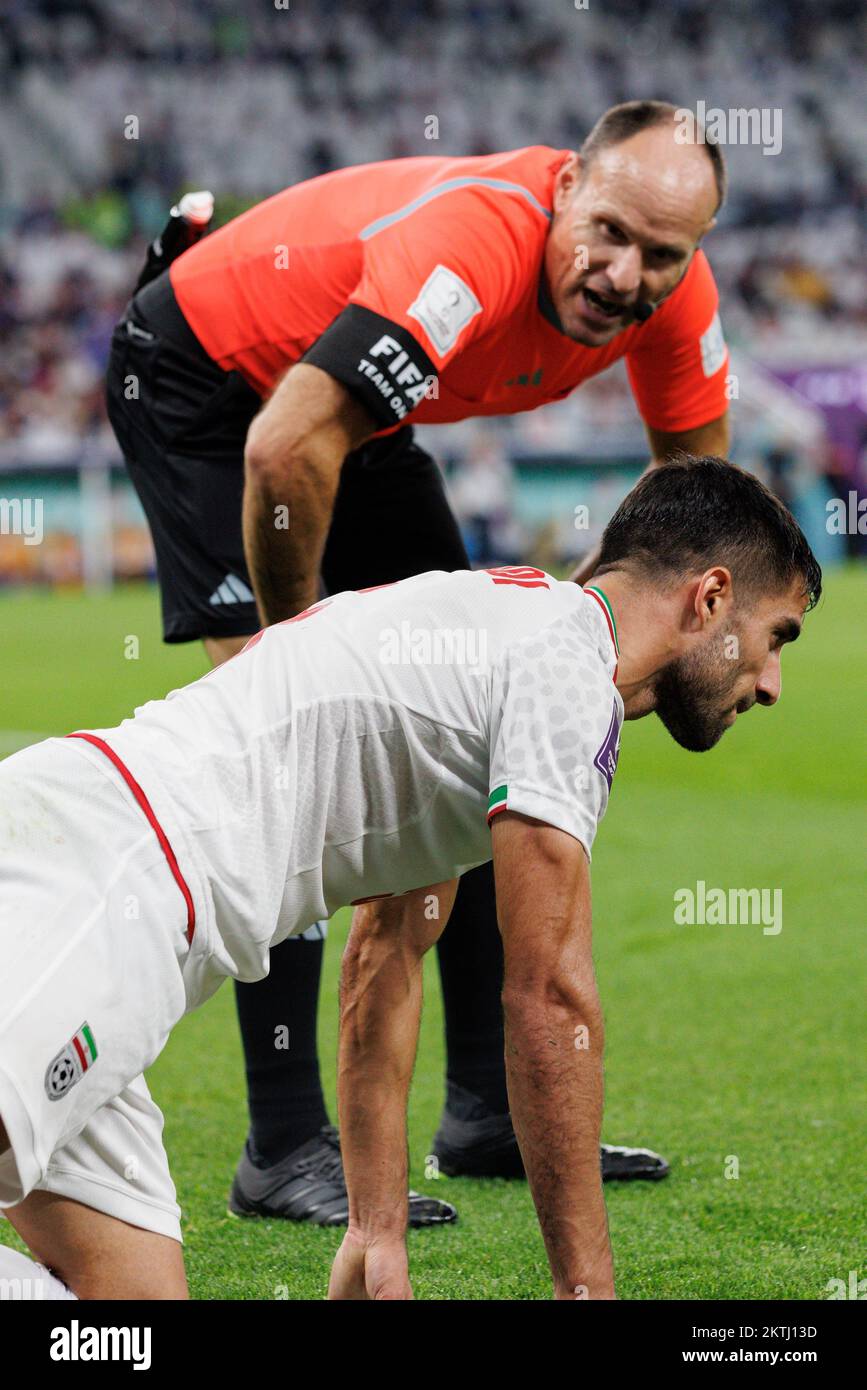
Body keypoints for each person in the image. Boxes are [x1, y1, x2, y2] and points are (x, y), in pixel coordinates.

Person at [105, 100, 732, 1221]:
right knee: (290, 760)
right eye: (607, 233)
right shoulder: (475, 241)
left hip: (349, 419)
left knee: (498, 716)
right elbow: (285, 443)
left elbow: (704, 522)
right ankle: (284, 1140)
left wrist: (630, 653)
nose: (624, 272)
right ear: (562, 190)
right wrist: (293, 668)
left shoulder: (676, 303)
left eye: (661, 254)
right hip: (207, 385)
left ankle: (486, 1108)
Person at [0, 458, 820, 1300]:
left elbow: (386, 951)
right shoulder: (562, 673)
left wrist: (374, 1225)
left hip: (120, 888)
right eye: (775, 636)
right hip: (102, 875)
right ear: (710, 598)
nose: (769, 684)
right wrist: (587, 1291)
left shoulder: (500, 637)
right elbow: (547, 997)